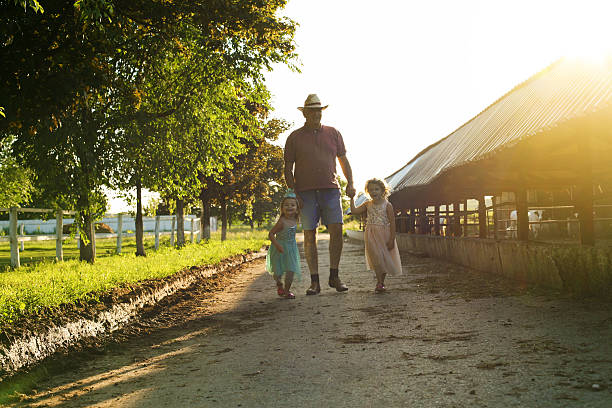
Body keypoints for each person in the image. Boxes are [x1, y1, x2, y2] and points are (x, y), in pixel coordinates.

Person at [284, 94, 356, 295]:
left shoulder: (333, 133)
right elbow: (288, 169)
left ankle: (334, 275)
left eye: (319, 110)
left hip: (330, 190)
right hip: (305, 193)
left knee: (336, 229)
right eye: (312, 111)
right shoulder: (294, 137)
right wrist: (293, 194)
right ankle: (314, 281)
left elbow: (344, 160)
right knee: (309, 234)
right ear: (305, 113)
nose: (316, 114)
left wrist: (350, 182)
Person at [350, 178, 402, 292]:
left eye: (376, 189)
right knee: (376, 258)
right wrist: (351, 197)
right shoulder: (367, 204)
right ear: (367, 191)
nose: (374, 192)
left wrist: (392, 239)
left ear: (383, 190)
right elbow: (354, 211)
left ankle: (381, 282)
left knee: (383, 259)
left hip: (384, 234)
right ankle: (379, 282)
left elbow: (392, 222)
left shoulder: (387, 205)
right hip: (370, 234)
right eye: (371, 190)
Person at [266, 193, 301, 299]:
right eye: (286, 205)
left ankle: (287, 291)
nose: (289, 207)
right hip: (279, 248)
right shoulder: (282, 221)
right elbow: (271, 233)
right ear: (282, 208)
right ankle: (279, 284)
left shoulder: (295, 219)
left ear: (297, 208)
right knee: (277, 271)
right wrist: (277, 245)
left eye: (292, 205)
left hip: (291, 249)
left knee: (291, 270)